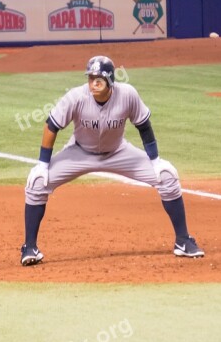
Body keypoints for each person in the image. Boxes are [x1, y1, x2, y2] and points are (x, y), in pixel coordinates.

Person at [20, 55, 205, 266]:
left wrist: (155, 160)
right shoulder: (76, 97)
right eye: (91, 78)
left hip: (118, 152)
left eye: (99, 78)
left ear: (110, 81)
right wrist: (43, 164)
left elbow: (143, 125)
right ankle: (29, 247)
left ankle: (183, 240)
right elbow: (51, 125)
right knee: (36, 183)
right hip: (79, 152)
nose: (94, 83)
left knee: (166, 176)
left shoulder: (127, 95)